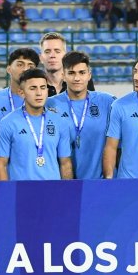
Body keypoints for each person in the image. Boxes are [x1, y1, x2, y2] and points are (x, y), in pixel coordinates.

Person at [0, 69, 74, 180]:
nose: (39, 93)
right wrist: (7, 194)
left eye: (42, 87)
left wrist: (67, 192)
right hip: (21, 192)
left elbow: (65, 163)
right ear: (22, 92)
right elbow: (1, 164)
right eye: (33, 88)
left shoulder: (60, 122)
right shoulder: (7, 123)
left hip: (53, 191)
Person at [49, 51, 115, 180]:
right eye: (71, 73)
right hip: (63, 182)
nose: (77, 78)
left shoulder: (107, 102)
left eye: (82, 73)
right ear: (63, 75)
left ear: (89, 75)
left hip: (101, 182)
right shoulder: (50, 104)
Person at [0, 47, 40, 114]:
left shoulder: (41, 99)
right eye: (20, 65)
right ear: (9, 69)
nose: (25, 69)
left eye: (30, 67)